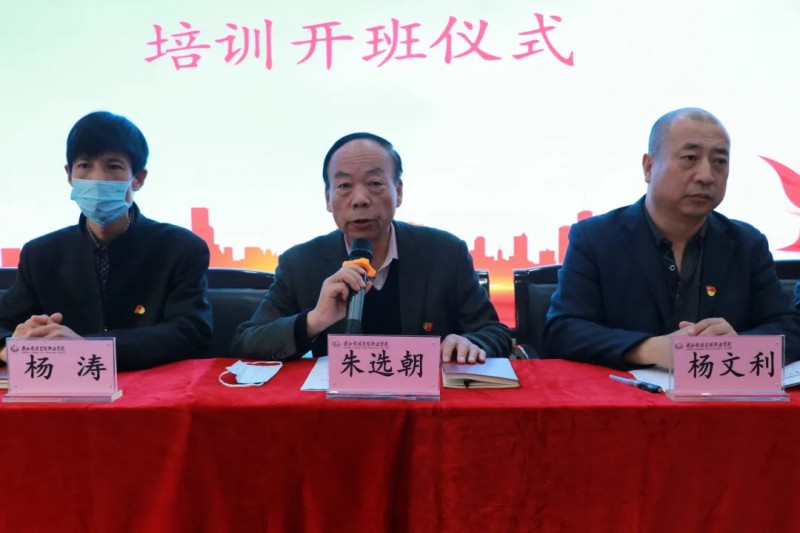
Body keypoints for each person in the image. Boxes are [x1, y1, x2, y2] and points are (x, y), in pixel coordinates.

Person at [543, 107, 800, 369]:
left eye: (719, 162)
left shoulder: (747, 243)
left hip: (720, 389)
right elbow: (563, 331)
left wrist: (739, 347)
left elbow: (789, 328)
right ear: (649, 167)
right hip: (624, 392)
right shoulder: (596, 238)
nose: (706, 176)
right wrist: (648, 349)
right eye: (690, 158)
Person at [232, 132, 511, 363]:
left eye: (375, 183)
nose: (360, 199)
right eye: (344, 185)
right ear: (328, 198)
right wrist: (314, 321)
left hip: (424, 405)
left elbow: (493, 332)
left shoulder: (446, 253)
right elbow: (247, 342)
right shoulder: (300, 263)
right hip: (336, 407)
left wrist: (470, 342)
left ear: (398, 192)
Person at [0, 111, 212, 371]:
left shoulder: (181, 248)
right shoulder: (40, 254)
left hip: (150, 387)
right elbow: (4, 324)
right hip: (65, 389)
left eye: (113, 166)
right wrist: (11, 347)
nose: (97, 179)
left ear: (138, 178)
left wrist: (88, 347)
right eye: (84, 166)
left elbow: (191, 331)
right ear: (69, 176)